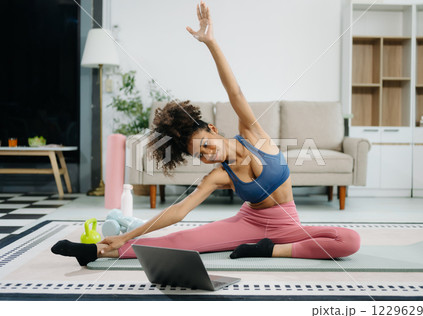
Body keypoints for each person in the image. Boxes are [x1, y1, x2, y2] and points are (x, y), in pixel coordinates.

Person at [51, 2, 360, 266]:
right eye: (201, 155)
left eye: (206, 145)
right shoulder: (218, 175)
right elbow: (178, 212)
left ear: (212, 129)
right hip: (248, 223)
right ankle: (98, 251)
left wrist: (211, 43)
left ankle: (269, 252)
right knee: (181, 240)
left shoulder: (252, 133)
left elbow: (234, 90)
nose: (209, 154)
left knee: (349, 240)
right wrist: (128, 236)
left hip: (286, 226)